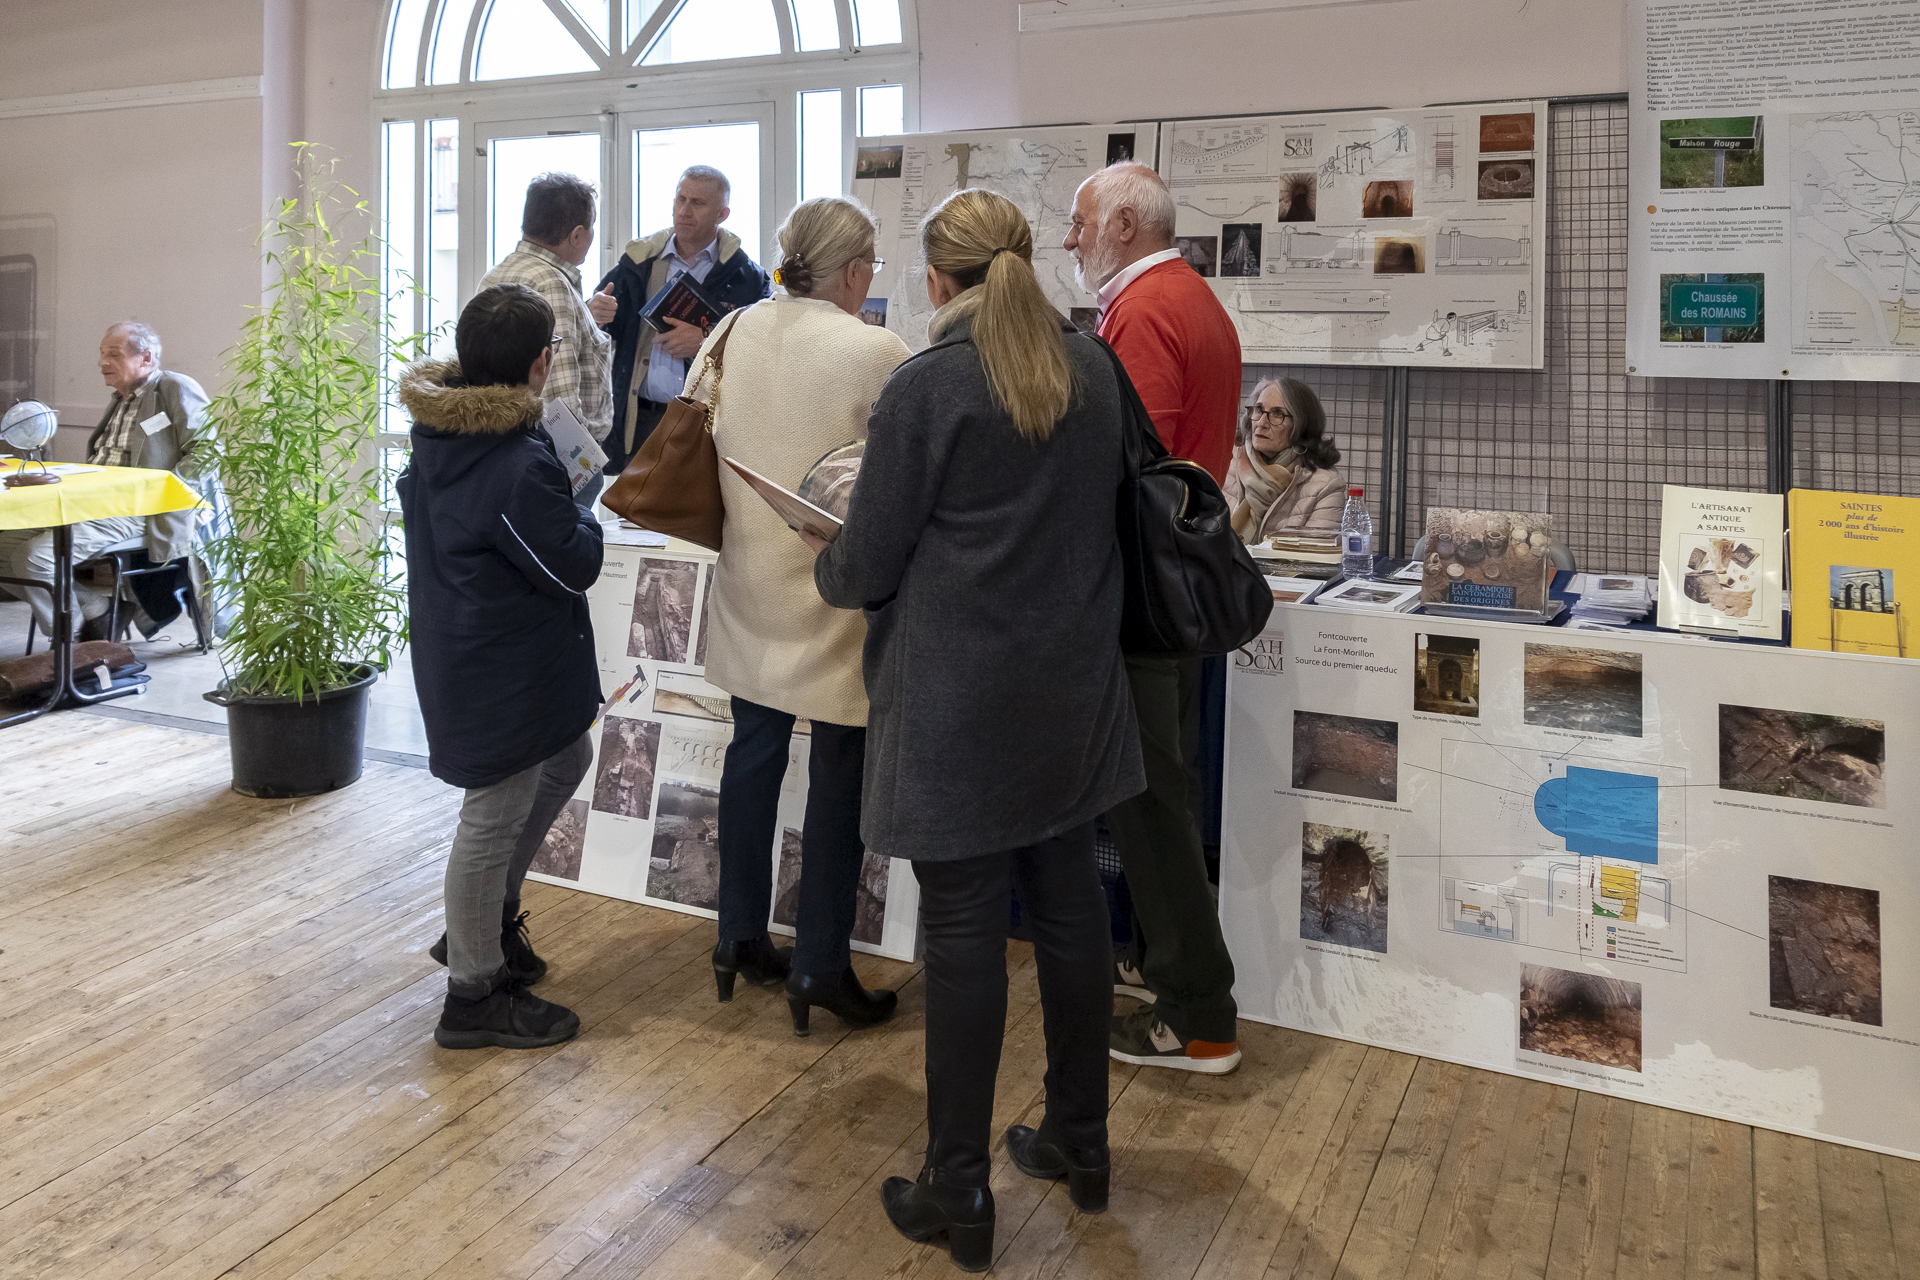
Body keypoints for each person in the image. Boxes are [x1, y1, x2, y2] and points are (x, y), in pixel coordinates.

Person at [814, 189, 1145, 1272]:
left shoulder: (929, 387)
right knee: (1070, 910)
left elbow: (863, 567)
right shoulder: (1093, 369)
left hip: (959, 707)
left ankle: (958, 1187)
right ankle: (1079, 1140)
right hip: (1074, 698)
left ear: (938, 279)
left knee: (961, 935)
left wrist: (819, 545)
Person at [696, 196, 911, 1030]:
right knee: (838, 777)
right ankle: (821, 962)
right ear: (855, 270)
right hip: (833, 591)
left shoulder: (733, 328)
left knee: (750, 758)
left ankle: (738, 938)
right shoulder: (877, 350)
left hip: (748, 580)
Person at [1063, 160, 1246, 1075]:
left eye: (1080, 220)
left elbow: (1129, 467)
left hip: (1143, 596)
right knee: (1165, 790)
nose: (1069, 239)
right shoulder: (1197, 301)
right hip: (1177, 595)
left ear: (1125, 226)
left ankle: (1196, 1009)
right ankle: (1169, 962)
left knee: (1150, 800)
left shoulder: (1139, 313)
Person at [396, 283, 605, 1051]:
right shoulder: (517, 463)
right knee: (490, 816)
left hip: (471, 648)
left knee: (567, 756)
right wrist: (583, 500)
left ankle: (480, 925)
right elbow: (574, 565)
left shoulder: (440, 434)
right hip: (500, 664)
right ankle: (473, 994)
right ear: (541, 363)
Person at [0, 323, 213, 641]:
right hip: (91, 502)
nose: (102, 363)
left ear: (146, 357)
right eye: (101, 354)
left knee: (35, 558)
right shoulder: (122, 399)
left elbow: (208, 450)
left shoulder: (173, 387)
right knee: (5, 550)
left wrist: (166, 489)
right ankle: (100, 610)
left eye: (113, 354)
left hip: (138, 508)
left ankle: (69, 645)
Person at [596, 165, 773, 475]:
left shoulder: (749, 278)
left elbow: (762, 350)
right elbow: (601, 325)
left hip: (706, 423)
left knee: (697, 518)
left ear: (722, 214)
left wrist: (706, 343)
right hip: (643, 419)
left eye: (698, 203)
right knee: (634, 520)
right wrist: (595, 313)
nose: (684, 210)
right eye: (680, 199)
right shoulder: (638, 264)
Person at [474, 172, 618, 508]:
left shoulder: (495, 275)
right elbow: (558, 393)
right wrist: (579, 471)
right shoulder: (552, 283)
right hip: (553, 466)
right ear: (577, 235)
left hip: (499, 454)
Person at [1224, 377, 1345, 542]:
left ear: (1301, 425)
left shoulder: (1325, 485)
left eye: (1277, 414)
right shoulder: (1226, 464)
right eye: (1258, 410)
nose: (1261, 422)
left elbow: (1314, 559)